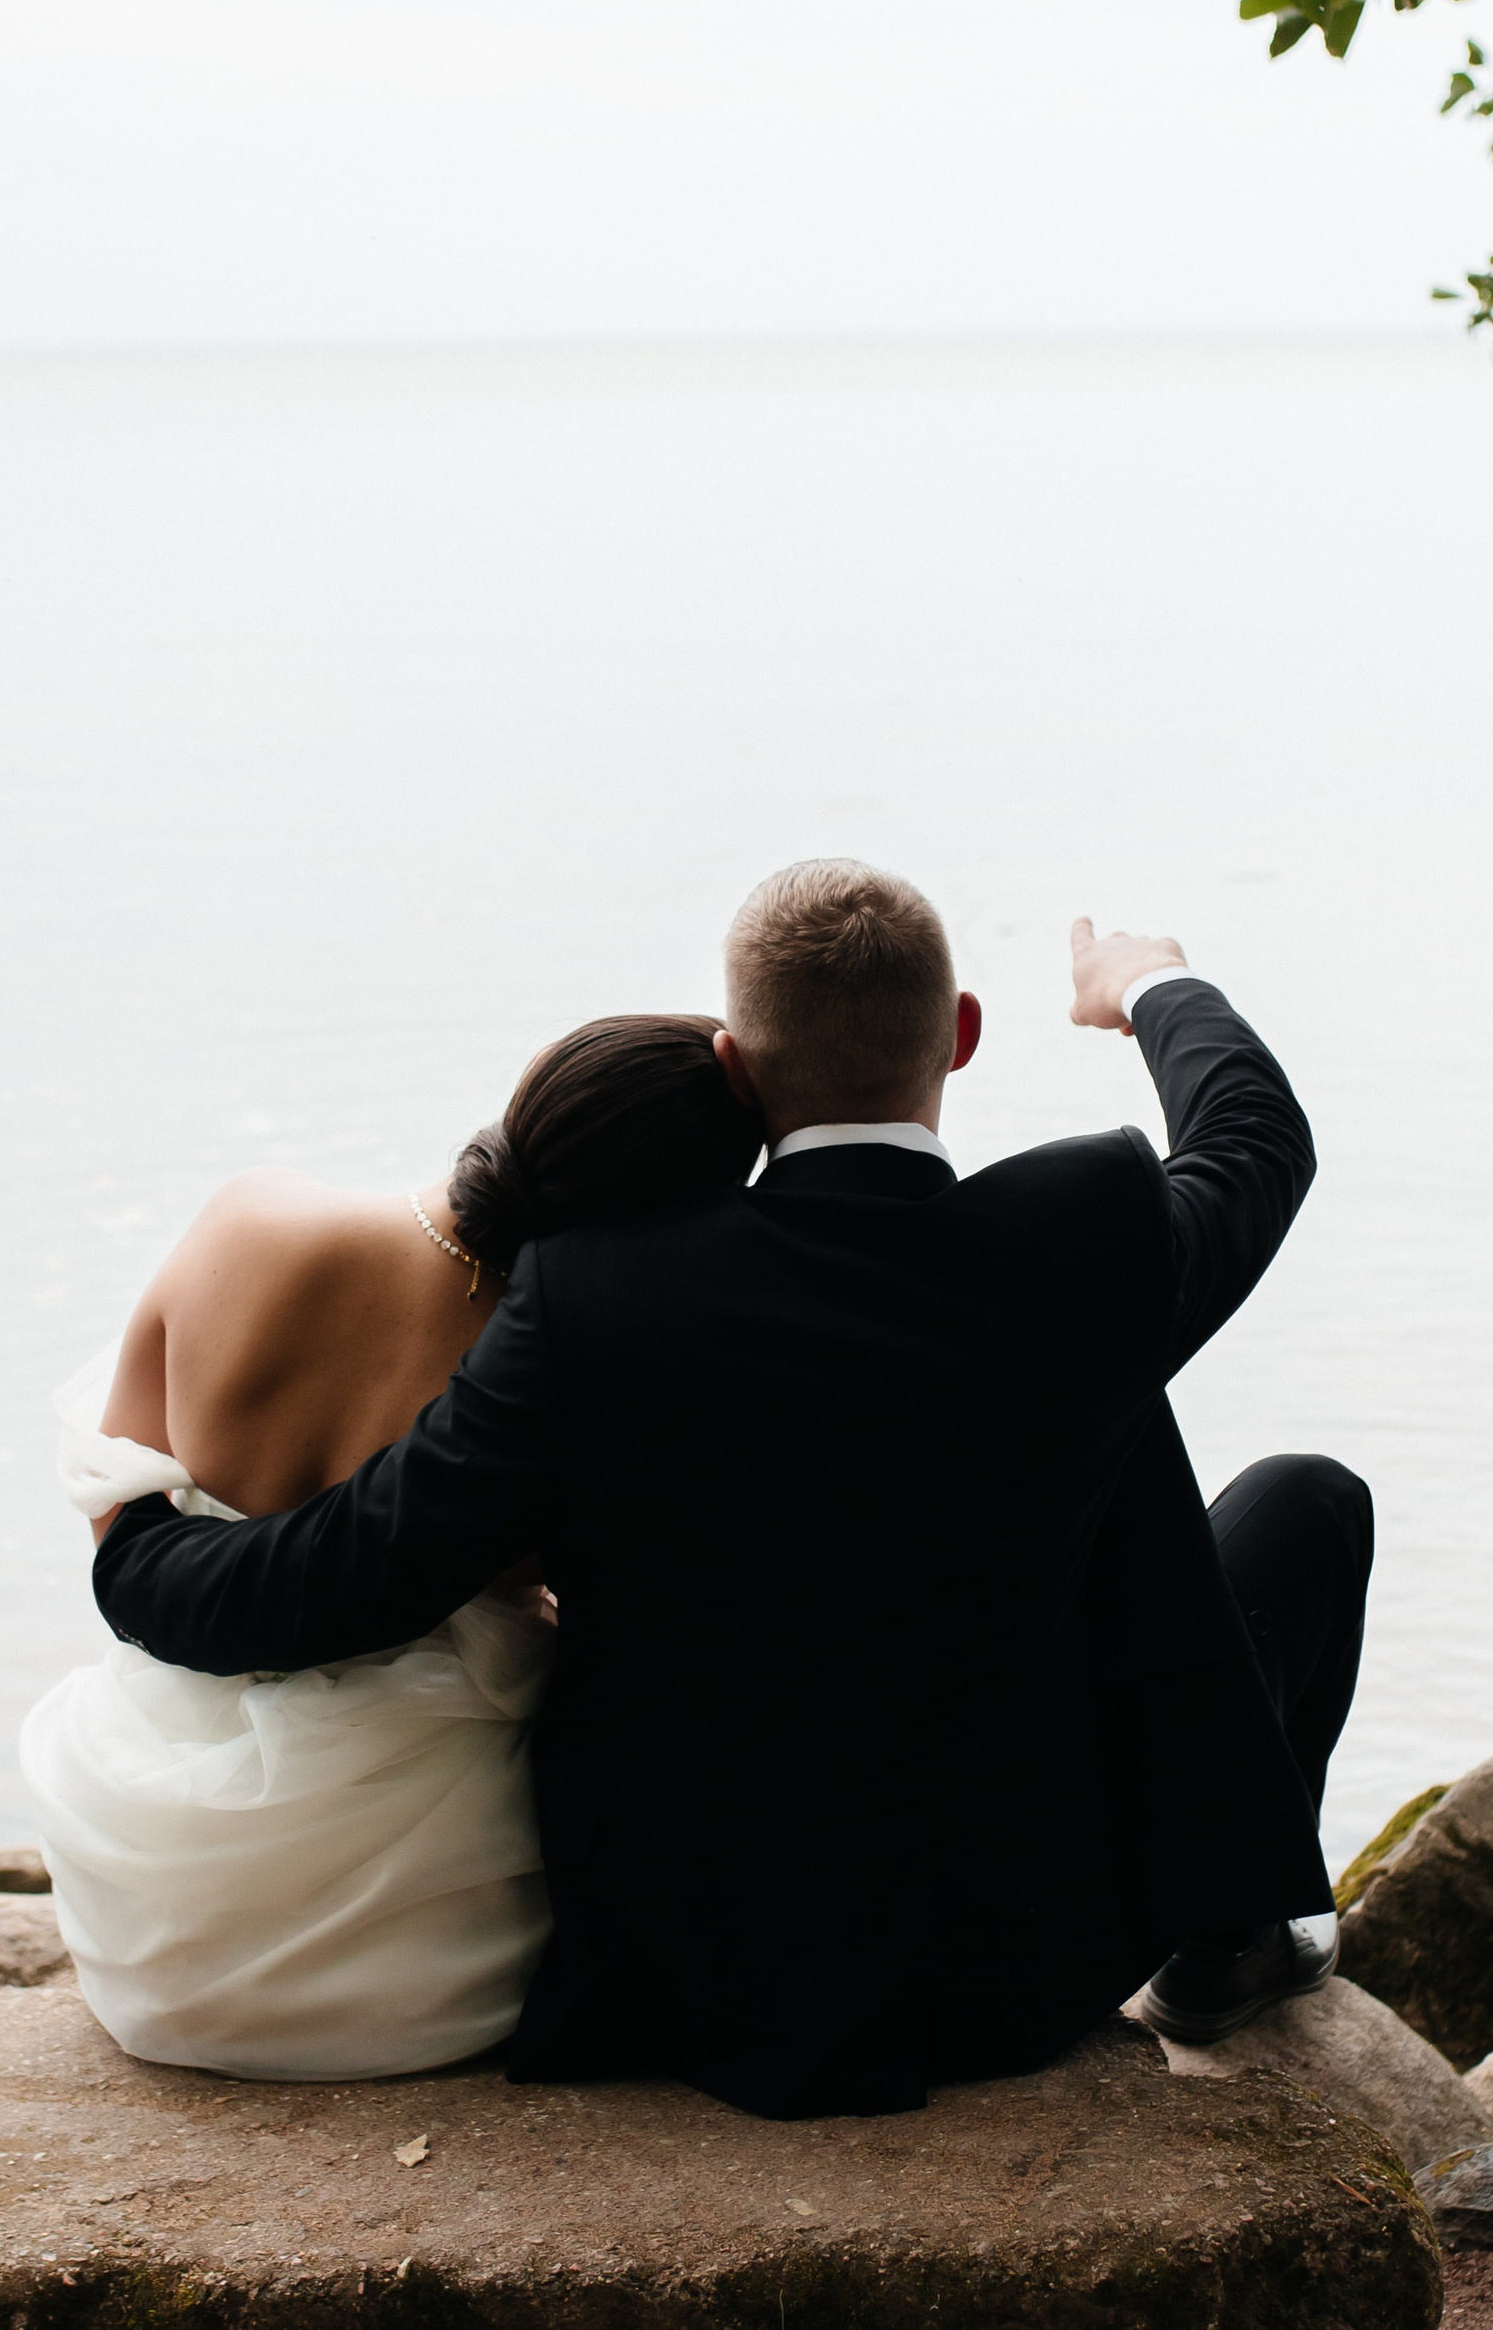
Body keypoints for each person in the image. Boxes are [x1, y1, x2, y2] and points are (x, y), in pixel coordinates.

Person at [93, 861, 1374, 2119]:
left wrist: (133, 1535)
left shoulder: (593, 1299)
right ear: (963, 1035)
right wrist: (1148, 981)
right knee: (1303, 1501)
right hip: (1011, 1974)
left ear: (734, 1066)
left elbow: (338, 1577)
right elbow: (1256, 1136)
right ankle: (1232, 1941)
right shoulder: (1085, 1226)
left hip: (686, 1978)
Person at [20, 1013, 762, 2081]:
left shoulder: (255, 1218)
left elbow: (109, 1477)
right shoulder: (557, 1366)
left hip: (157, 1898)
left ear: (534, 1093)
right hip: (425, 1935)